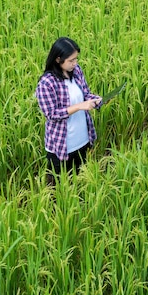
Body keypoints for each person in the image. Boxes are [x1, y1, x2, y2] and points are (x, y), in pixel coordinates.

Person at [35, 37, 102, 184]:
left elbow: (85, 94)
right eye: (71, 60)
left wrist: (95, 100)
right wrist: (79, 106)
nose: (75, 63)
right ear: (58, 60)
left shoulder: (76, 71)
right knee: (59, 188)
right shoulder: (46, 83)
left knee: (79, 181)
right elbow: (51, 114)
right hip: (62, 146)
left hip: (82, 139)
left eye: (76, 59)